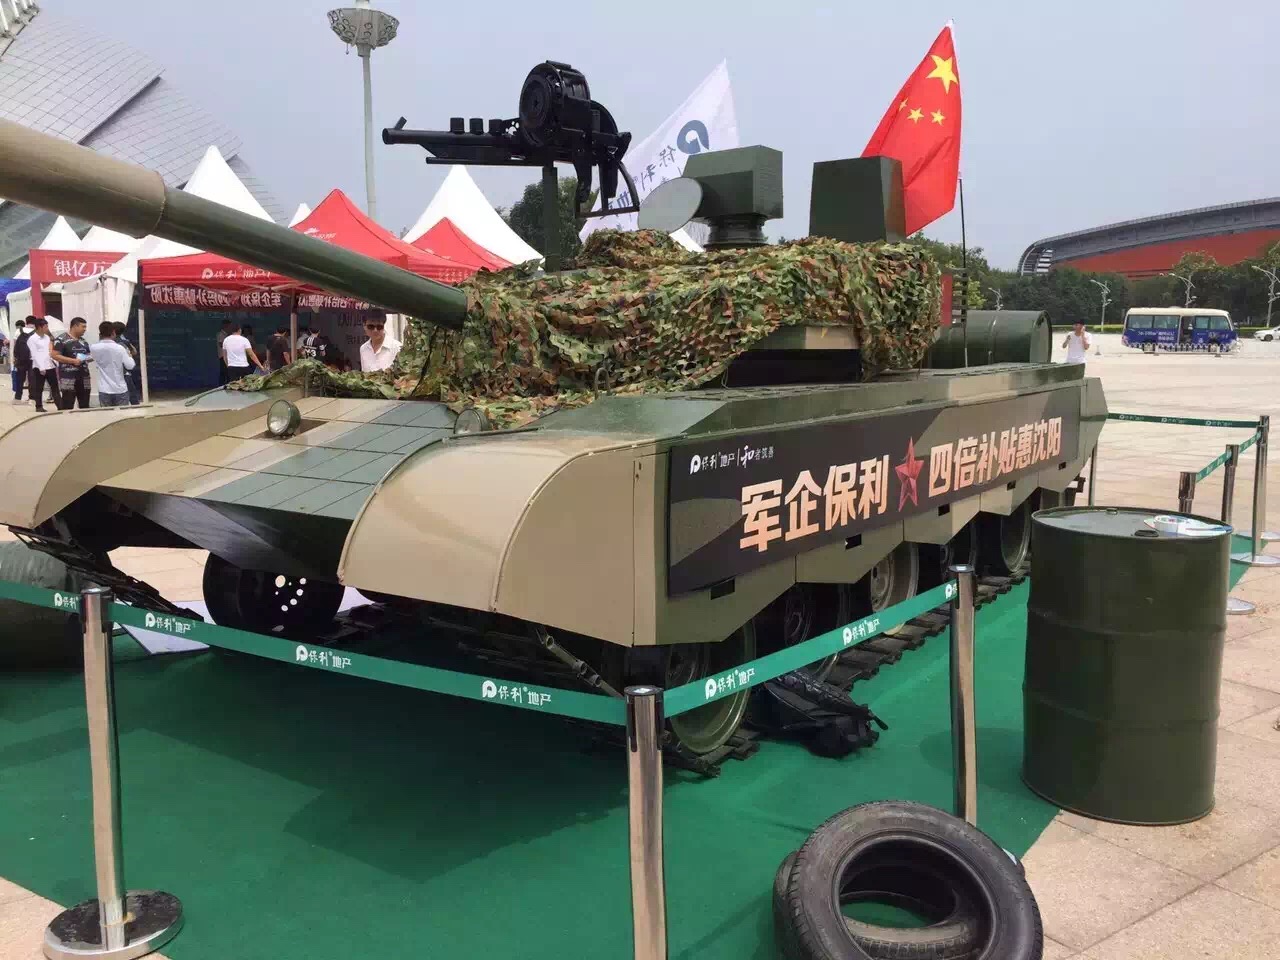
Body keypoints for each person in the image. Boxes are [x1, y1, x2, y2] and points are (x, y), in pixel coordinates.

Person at [90, 321, 135, 407]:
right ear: (113, 332)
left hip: (104, 389)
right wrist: (129, 356)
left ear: (100, 334)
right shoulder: (120, 348)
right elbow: (130, 366)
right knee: (122, 414)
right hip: (120, 388)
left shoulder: (94, 348)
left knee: (107, 413)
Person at [53, 316, 93, 410]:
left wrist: (89, 358)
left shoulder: (83, 341)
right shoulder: (61, 339)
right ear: (75, 326)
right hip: (68, 377)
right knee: (68, 404)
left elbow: (88, 354)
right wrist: (72, 361)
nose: (85, 329)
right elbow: (55, 355)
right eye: (83, 327)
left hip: (84, 377)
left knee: (84, 404)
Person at [26, 317, 59, 412]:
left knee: (55, 387)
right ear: (40, 327)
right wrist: (41, 367)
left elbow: (49, 351)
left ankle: (60, 405)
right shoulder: (32, 339)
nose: (47, 329)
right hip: (38, 367)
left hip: (49, 365)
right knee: (39, 387)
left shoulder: (47, 337)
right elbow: (34, 354)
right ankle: (39, 406)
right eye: (45, 327)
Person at [113, 322, 141, 404]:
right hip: (124, 371)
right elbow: (134, 352)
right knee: (131, 393)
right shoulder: (124, 341)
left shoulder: (110, 341)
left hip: (115, 371)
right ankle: (135, 406)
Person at [11, 317, 33, 403]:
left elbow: (15, 345)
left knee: (20, 378)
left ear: (26, 322)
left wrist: (14, 358)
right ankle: (32, 398)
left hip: (20, 358)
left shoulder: (18, 331)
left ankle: (17, 398)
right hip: (32, 358)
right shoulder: (36, 332)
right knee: (32, 379)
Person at [216, 319, 234, 385]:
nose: (230, 327)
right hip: (223, 357)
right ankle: (221, 386)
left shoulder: (228, 335)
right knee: (223, 373)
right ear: (225, 325)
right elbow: (221, 344)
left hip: (229, 357)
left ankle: (229, 386)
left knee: (229, 373)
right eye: (229, 326)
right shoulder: (220, 334)